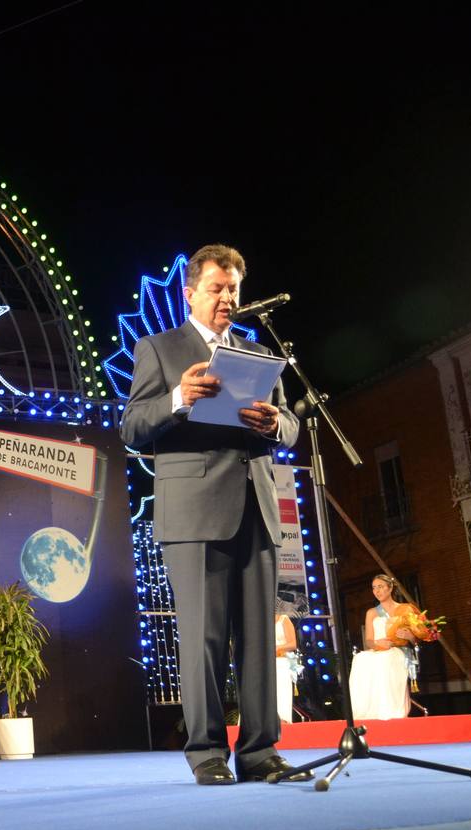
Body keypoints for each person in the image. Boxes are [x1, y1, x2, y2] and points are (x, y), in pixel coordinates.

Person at [120, 244, 309, 785]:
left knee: (258, 639)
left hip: (256, 506)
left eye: (233, 290)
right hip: (194, 511)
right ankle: (205, 751)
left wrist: (275, 424)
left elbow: (291, 427)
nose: (226, 299)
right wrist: (179, 396)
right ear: (190, 293)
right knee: (203, 636)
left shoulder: (255, 353)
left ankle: (259, 752)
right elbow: (132, 426)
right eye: (216, 289)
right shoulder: (158, 349)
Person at [348, 574, 414, 720]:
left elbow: (415, 639)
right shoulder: (371, 613)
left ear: (390, 588)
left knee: (387, 660)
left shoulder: (405, 610)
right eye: (374, 588)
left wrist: (409, 636)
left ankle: (391, 710)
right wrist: (378, 644)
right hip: (379, 650)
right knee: (360, 659)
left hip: (397, 650)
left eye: (381, 587)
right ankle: (369, 712)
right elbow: (369, 641)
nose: (377, 591)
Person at [274, 613, 299, 724]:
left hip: (280, 662)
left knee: (281, 695)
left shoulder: (283, 619)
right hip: (263, 663)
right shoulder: (258, 621)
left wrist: (276, 647)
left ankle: (283, 722)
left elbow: (293, 644)